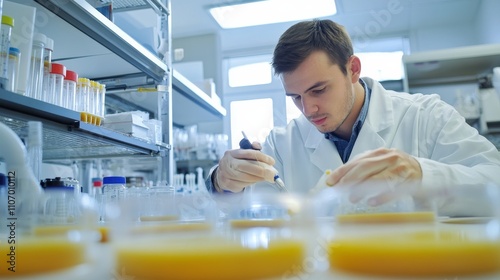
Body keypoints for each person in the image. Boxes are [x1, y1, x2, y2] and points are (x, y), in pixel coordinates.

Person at [206, 19, 500, 216]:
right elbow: (244, 211)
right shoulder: (283, 144)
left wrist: (423, 175)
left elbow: (494, 181)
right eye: (295, 97)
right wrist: (223, 180)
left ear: (353, 69)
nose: (308, 110)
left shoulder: (426, 117)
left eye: (318, 90)